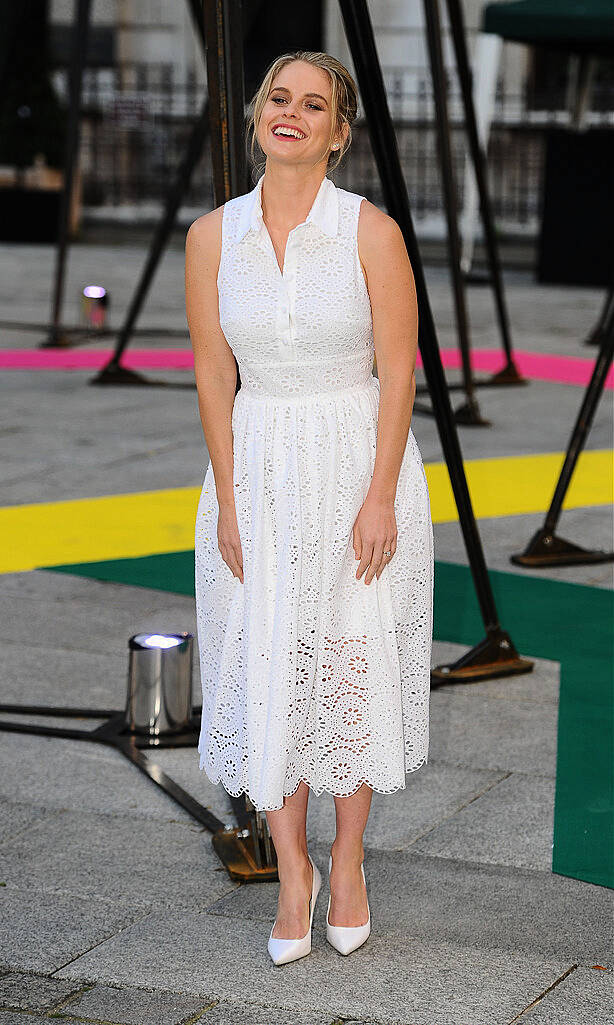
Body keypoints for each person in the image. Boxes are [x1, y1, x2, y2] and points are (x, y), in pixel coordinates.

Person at [185, 50, 433, 966]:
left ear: (338, 130)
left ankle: (350, 857)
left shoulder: (371, 232)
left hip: (356, 460)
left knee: (349, 660)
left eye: (313, 104)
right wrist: (228, 498)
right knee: (267, 656)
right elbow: (214, 372)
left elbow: (399, 368)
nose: (291, 114)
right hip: (257, 464)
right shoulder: (213, 237)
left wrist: (379, 495)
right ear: (257, 117)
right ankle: (293, 871)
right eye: (278, 99)